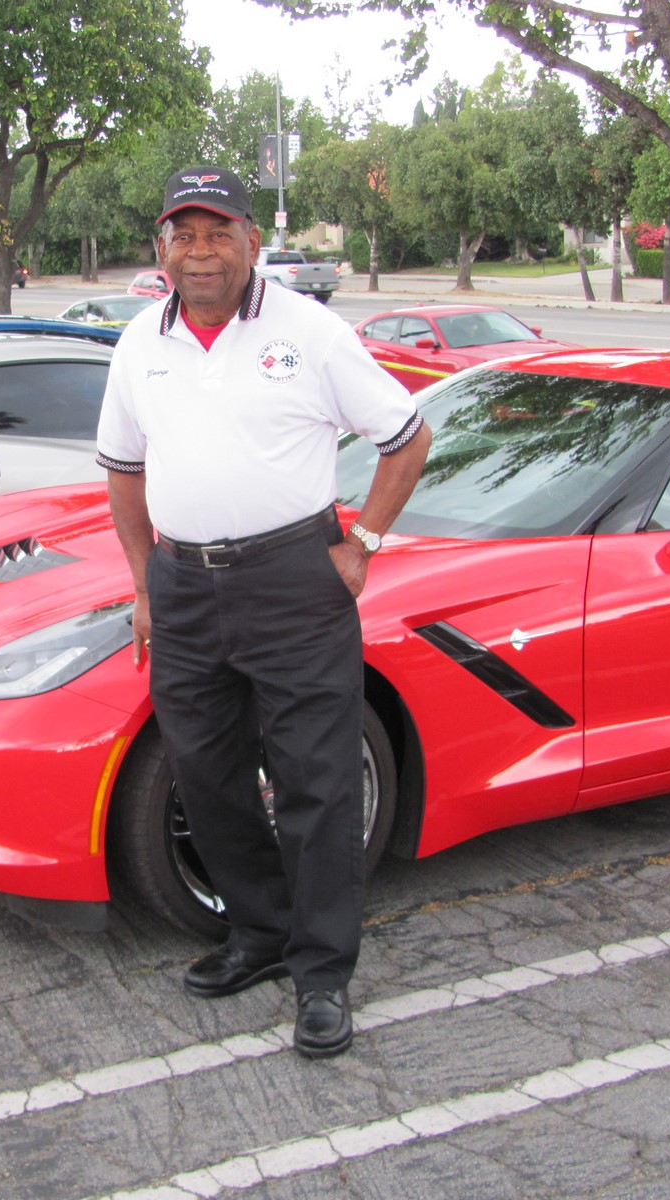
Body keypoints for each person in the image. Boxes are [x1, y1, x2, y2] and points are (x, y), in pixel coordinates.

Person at [96, 166, 430, 1058]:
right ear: (161, 247)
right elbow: (122, 468)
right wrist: (141, 584)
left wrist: (369, 544)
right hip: (182, 586)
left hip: (294, 583)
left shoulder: (309, 333)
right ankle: (258, 935)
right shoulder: (140, 342)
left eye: (218, 233)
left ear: (252, 241)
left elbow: (406, 436)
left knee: (315, 783)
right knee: (204, 774)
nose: (200, 252)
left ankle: (322, 975)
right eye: (183, 234)